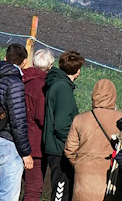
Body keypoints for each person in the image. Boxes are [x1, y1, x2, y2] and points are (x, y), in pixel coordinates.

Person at [64, 79, 122, 201]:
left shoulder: (79, 119)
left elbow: (70, 150)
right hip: (109, 174)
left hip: (83, 174)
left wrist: (79, 163)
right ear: (113, 96)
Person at [0, 49, 34, 201]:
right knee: (7, 197)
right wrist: (26, 152)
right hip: (9, 144)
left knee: (1, 192)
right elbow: (18, 120)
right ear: (25, 62)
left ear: (5, 57)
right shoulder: (15, 83)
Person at [44, 51, 85, 201]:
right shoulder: (62, 88)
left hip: (55, 146)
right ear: (78, 70)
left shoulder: (57, 84)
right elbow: (61, 124)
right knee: (61, 192)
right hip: (60, 148)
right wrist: (74, 142)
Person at [22, 48, 52, 201]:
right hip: (34, 144)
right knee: (33, 190)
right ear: (49, 67)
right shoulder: (42, 86)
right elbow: (41, 117)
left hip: (16, 139)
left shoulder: (21, 79)